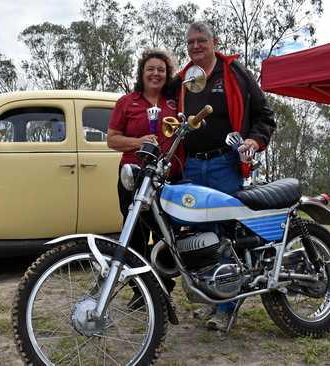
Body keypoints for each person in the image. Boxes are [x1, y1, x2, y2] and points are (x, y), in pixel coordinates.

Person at [176, 22, 276, 330]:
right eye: (191, 41)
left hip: (224, 165)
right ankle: (213, 298)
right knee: (198, 235)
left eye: (201, 40)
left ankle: (228, 305)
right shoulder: (183, 79)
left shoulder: (235, 73)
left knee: (224, 235)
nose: (196, 46)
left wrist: (253, 141)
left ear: (214, 42)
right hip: (192, 166)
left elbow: (264, 115)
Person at [107, 48, 179, 307]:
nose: (156, 74)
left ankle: (163, 289)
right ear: (141, 72)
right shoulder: (127, 102)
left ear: (167, 74)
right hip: (133, 176)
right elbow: (111, 139)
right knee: (135, 234)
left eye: (161, 69)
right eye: (150, 69)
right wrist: (138, 142)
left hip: (168, 177)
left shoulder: (175, 102)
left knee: (166, 234)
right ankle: (140, 291)